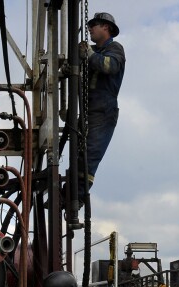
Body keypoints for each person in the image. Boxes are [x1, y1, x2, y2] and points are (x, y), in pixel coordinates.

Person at [77, 12, 125, 194]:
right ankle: (68, 194)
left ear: (106, 27)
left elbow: (109, 66)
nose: (89, 28)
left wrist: (88, 54)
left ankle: (78, 197)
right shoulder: (92, 52)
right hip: (88, 110)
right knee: (79, 155)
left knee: (90, 155)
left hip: (104, 111)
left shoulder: (115, 49)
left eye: (93, 25)